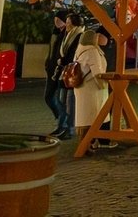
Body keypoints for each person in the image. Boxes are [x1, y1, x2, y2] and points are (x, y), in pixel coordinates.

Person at [74, 26, 115, 152]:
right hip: (92, 89)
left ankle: (87, 144)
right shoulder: (93, 51)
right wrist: (103, 86)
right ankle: (85, 146)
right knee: (93, 117)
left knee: (84, 117)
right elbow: (98, 73)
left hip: (81, 88)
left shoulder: (79, 50)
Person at [45, 11, 83, 139]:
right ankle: (62, 126)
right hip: (61, 71)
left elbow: (73, 54)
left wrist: (63, 60)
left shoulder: (78, 36)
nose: (66, 25)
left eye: (68, 23)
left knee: (68, 102)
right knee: (61, 100)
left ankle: (68, 128)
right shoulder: (65, 35)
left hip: (69, 72)